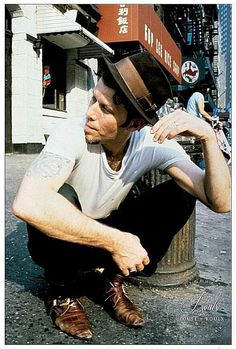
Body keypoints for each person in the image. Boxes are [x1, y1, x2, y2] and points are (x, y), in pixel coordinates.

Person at [12, 51, 231, 340]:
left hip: (108, 239)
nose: (90, 112)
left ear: (134, 124)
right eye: (94, 99)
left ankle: (110, 282)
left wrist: (207, 136)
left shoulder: (150, 142)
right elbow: (28, 202)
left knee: (180, 193)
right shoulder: (72, 132)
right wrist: (117, 241)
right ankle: (62, 292)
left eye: (105, 109)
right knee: (57, 196)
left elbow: (222, 202)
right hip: (60, 244)